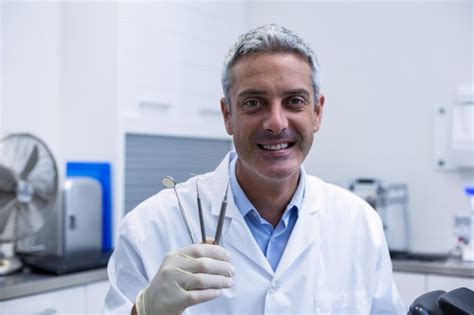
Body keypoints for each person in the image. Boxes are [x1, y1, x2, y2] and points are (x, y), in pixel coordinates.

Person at [105, 24, 406, 315]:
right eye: (254, 102)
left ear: (317, 112)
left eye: (294, 101)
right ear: (228, 115)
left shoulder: (360, 224)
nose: (276, 122)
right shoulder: (149, 227)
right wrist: (143, 312)